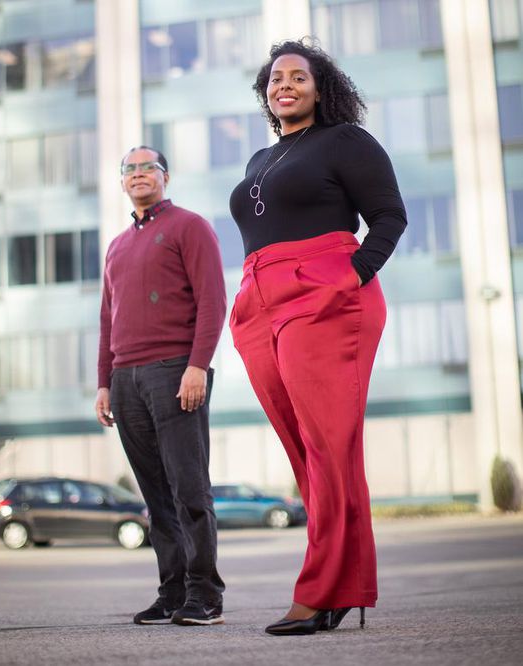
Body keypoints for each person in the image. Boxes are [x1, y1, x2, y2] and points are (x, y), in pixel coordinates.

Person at [228, 39, 407, 636]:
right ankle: (342, 582)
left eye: (298, 76)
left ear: (319, 87)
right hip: (259, 300)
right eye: (275, 78)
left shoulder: (345, 141)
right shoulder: (260, 158)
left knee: (328, 447)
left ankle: (322, 590)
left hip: (323, 292)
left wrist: (349, 277)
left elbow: (389, 216)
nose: (285, 85)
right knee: (303, 448)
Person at [95, 146, 227, 626]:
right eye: (128, 169)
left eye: (147, 167)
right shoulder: (116, 245)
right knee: (155, 497)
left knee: (189, 489)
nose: (137, 174)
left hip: (175, 371)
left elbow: (214, 300)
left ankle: (205, 595)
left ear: (164, 176)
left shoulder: (190, 226)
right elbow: (108, 320)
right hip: (126, 380)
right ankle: (171, 592)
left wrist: (198, 366)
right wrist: (104, 382)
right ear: (122, 183)